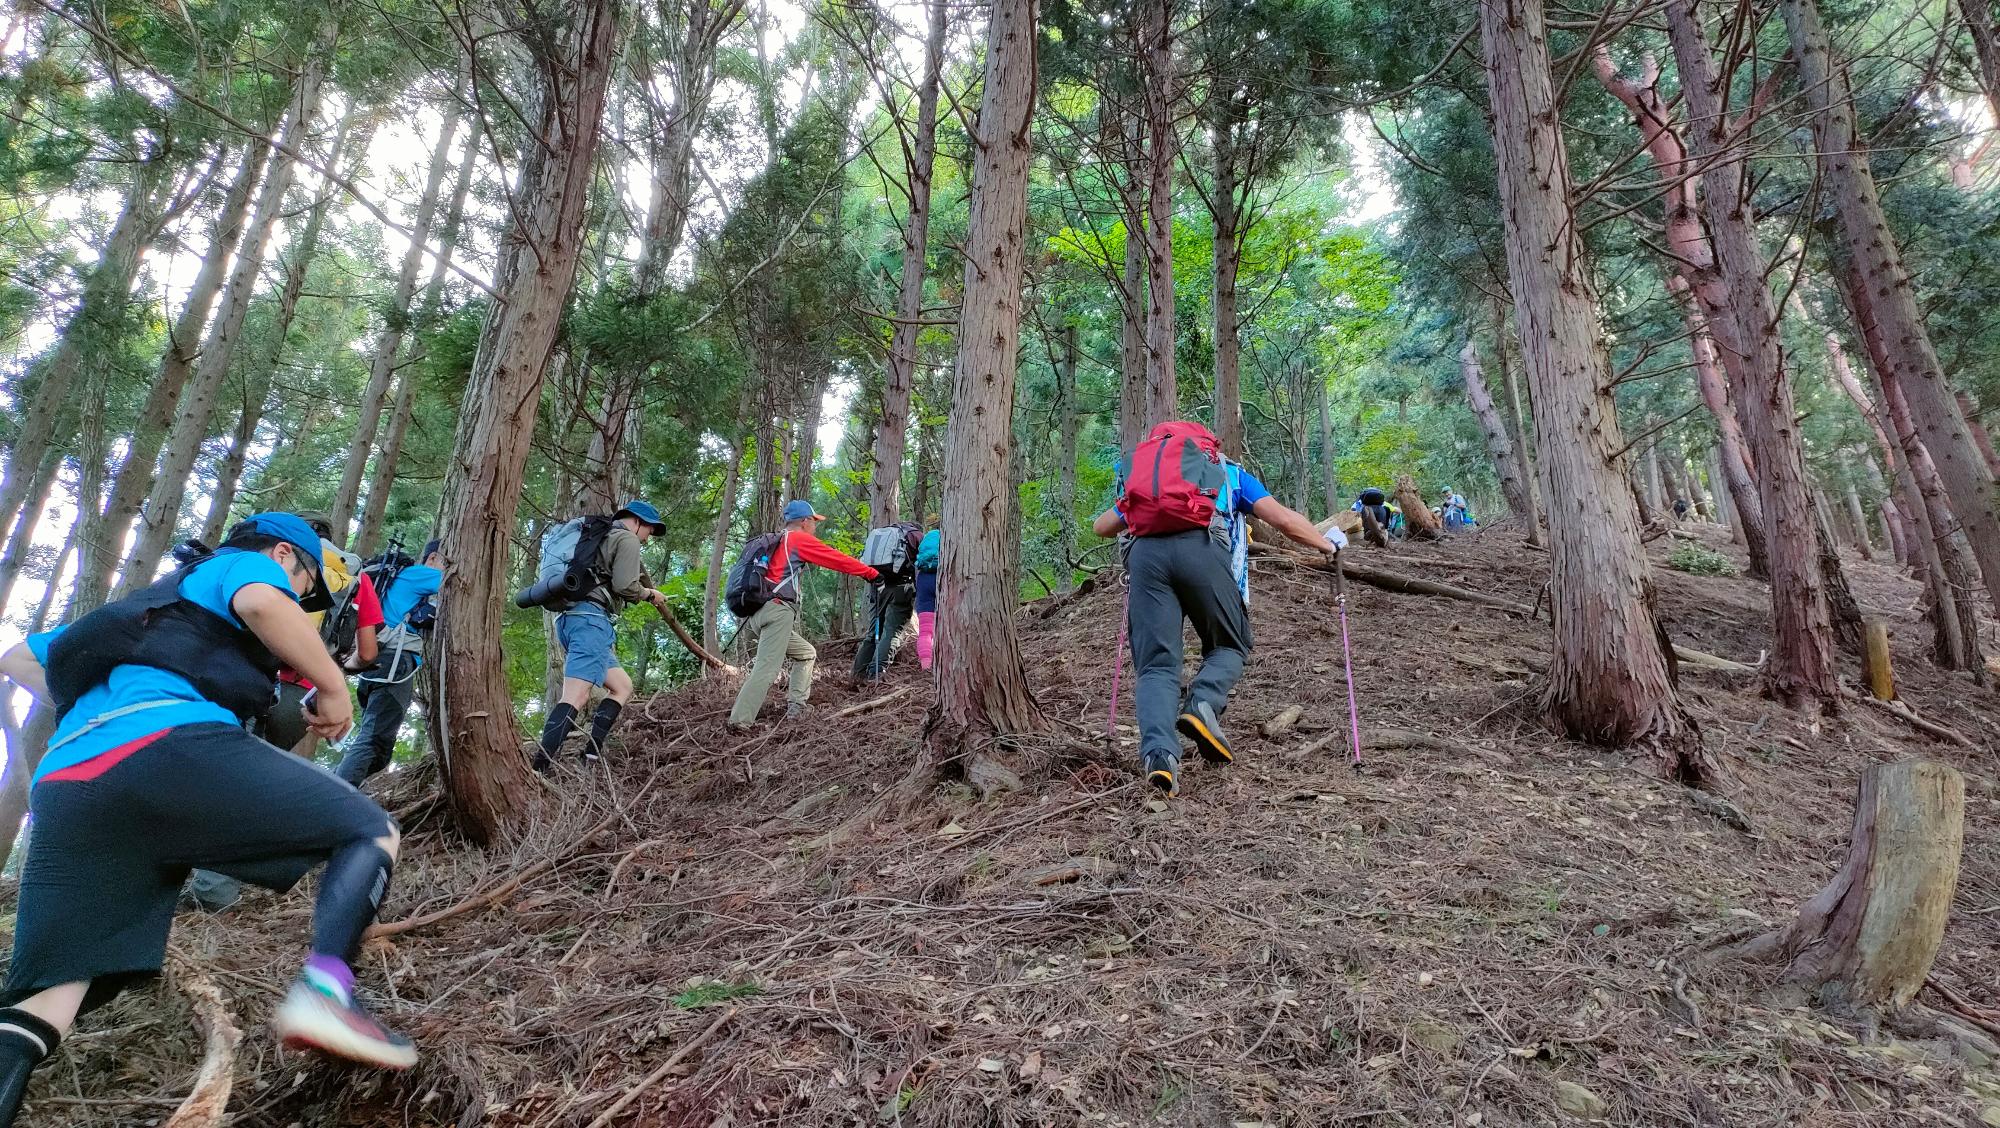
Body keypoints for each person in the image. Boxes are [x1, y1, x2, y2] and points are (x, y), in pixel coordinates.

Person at [0, 513, 414, 1125]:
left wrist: (106, 706)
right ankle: (326, 994)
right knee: (370, 830)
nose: (300, 601)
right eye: (302, 587)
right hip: (166, 745)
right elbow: (258, 601)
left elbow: (17, 658)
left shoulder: (141, 610)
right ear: (283, 554)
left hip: (71, 784)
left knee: (54, 990)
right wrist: (331, 684)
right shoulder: (239, 566)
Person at [1093, 422, 1341, 798]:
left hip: (1145, 559)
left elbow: (1102, 526)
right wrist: (1326, 545)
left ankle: (1160, 758)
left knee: (1156, 665)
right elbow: (1284, 520)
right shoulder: (1227, 472)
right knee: (1230, 642)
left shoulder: (1148, 480)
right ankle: (1203, 703)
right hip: (1201, 550)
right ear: (1204, 446)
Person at [534, 501, 674, 772]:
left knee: (622, 686)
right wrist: (649, 594)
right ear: (637, 522)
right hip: (591, 622)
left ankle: (591, 756)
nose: (647, 539)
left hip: (570, 619)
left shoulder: (601, 536)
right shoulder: (626, 539)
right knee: (576, 696)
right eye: (649, 531)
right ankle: (539, 769)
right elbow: (626, 587)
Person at [726, 501, 880, 731]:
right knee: (767, 669)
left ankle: (796, 709)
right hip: (778, 612)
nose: (815, 526)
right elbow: (836, 559)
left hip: (760, 613)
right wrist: (871, 573)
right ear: (804, 521)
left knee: (807, 654)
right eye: (814, 521)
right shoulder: (797, 540)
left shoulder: (778, 541)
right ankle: (739, 721)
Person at [262, 517, 384, 759]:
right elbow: (368, 653)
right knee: (259, 766)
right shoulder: (355, 576)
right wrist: (340, 668)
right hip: (300, 689)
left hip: (250, 671)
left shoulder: (276, 555)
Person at [334, 539, 443, 787]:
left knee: (379, 745)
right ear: (433, 558)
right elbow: (460, 583)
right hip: (394, 662)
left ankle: (345, 791)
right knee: (372, 740)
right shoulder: (418, 574)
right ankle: (335, 797)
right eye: (444, 561)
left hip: (375, 664)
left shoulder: (398, 582)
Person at [853, 525, 918, 682]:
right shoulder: (915, 535)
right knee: (891, 631)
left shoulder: (882, 534)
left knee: (873, 632)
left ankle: (857, 674)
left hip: (877, 587)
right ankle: (876, 673)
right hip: (900, 589)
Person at [914, 528, 940, 670]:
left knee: (925, 631)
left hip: (924, 581)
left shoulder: (923, 561)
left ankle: (926, 665)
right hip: (942, 578)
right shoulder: (949, 538)